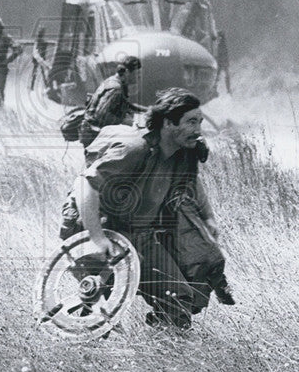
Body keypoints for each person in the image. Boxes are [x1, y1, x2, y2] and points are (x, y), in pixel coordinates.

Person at [73, 88, 233, 330]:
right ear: (168, 123)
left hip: (142, 236)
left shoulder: (183, 152)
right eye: (191, 122)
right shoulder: (135, 149)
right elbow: (86, 184)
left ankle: (166, 351)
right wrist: (96, 238)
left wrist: (208, 217)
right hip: (103, 230)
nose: (198, 129)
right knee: (100, 314)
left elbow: (193, 181)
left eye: (199, 121)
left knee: (178, 299)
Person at [78, 55, 146, 152]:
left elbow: (123, 104)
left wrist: (145, 110)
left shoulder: (114, 81)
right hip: (95, 136)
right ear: (127, 72)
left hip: (95, 134)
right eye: (137, 74)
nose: (139, 77)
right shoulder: (116, 89)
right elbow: (101, 117)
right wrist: (125, 122)